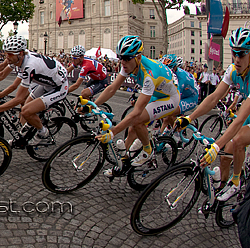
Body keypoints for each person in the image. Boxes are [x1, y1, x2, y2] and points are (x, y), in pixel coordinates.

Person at [178, 27, 250, 199]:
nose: (236, 59)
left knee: (238, 139)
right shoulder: (234, 70)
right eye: (234, 53)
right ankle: (221, 192)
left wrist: (216, 146)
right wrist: (190, 117)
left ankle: (236, 181)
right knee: (226, 155)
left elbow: (240, 120)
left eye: (242, 54)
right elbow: (214, 97)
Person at [92, 35, 180, 167]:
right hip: (158, 92)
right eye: (120, 57)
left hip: (170, 98)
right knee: (133, 128)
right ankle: (122, 161)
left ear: (138, 57)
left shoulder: (149, 75)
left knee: (137, 119)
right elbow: (112, 89)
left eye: (126, 58)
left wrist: (113, 132)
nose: (123, 62)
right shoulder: (129, 63)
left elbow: (136, 112)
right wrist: (94, 104)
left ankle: (147, 150)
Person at [0, 35, 69, 145]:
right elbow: (2, 74)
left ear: (21, 53)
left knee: (26, 110)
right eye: (5, 52)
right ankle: (22, 136)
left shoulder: (29, 66)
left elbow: (18, 98)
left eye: (10, 54)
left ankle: (43, 132)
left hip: (59, 87)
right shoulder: (18, 57)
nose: (6, 56)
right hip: (47, 83)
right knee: (25, 109)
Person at [157, 54, 199, 140]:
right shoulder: (173, 73)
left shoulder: (180, 78)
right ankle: (160, 137)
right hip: (183, 94)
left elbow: (175, 97)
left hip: (191, 98)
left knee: (171, 111)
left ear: (174, 68)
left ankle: (176, 134)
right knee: (166, 117)